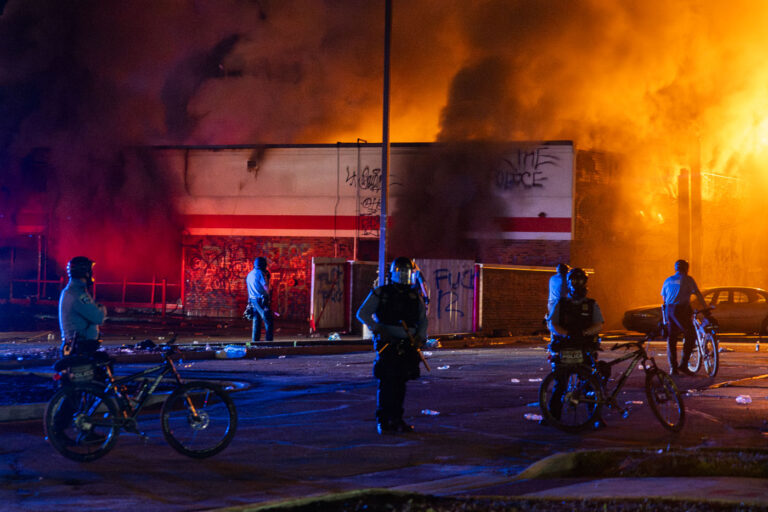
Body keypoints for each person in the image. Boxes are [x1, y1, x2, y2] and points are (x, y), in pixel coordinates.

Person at [357, 257, 428, 434]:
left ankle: (397, 419)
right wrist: (378, 329)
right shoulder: (383, 293)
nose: (404, 276)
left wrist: (420, 337)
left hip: (407, 345)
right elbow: (363, 313)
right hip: (388, 345)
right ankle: (383, 421)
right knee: (387, 383)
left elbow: (422, 320)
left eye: (407, 273)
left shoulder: (414, 296)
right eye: (401, 272)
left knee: (401, 384)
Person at [546, 267, 605, 425]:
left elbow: (599, 324)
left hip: (584, 346)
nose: (576, 283)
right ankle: (552, 416)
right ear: (569, 282)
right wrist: (566, 334)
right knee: (560, 383)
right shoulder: (561, 303)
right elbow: (552, 324)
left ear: (585, 282)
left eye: (580, 280)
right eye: (573, 280)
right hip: (565, 346)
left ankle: (595, 416)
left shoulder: (591, 304)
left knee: (590, 383)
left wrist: (584, 333)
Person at [661, 259, 705, 376]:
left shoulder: (668, 280)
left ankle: (673, 368)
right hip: (680, 310)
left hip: (668, 310)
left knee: (671, 338)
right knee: (691, 334)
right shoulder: (688, 280)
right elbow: (698, 295)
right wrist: (705, 307)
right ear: (686, 269)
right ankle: (684, 365)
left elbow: (664, 299)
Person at [59, 256, 107, 357]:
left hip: (73, 344)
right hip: (81, 346)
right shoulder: (78, 294)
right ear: (85, 272)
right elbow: (98, 317)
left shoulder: (69, 291)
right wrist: (101, 308)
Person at [246, 256, 274, 343]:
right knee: (268, 320)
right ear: (263, 265)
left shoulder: (249, 274)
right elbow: (265, 287)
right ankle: (269, 341)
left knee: (256, 321)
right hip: (261, 300)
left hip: (253, 300)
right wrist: (268, 297)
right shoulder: (260, 274)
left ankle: (255, 341)